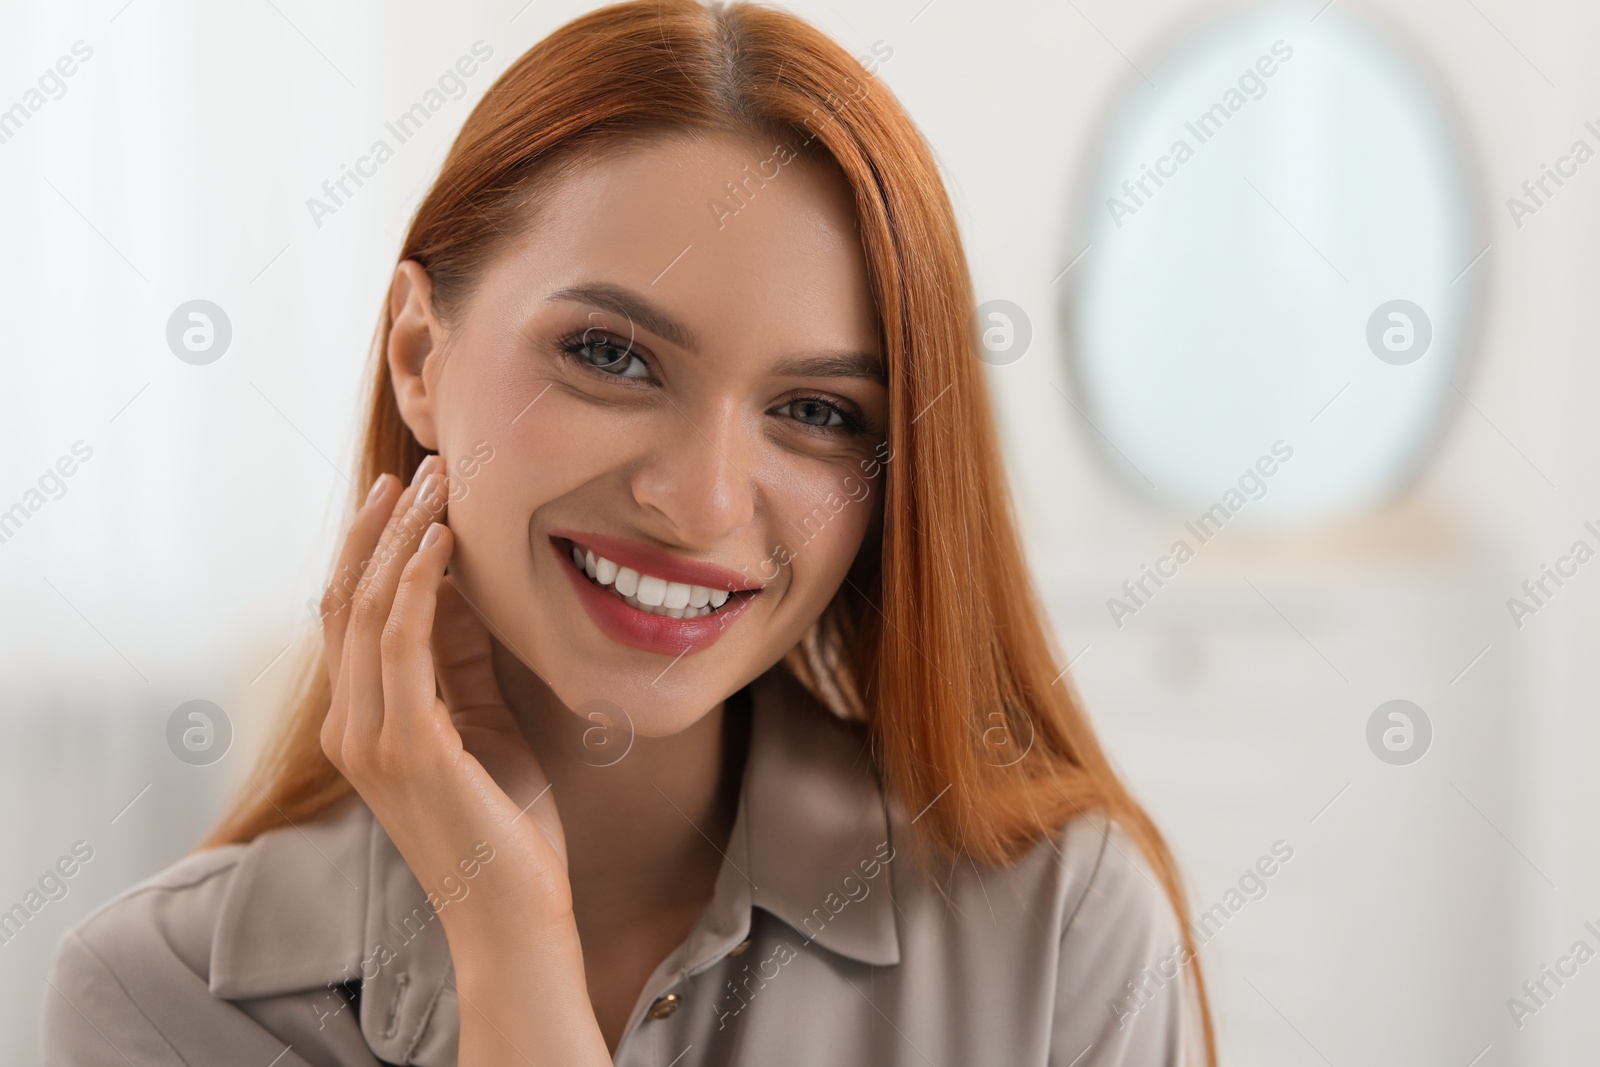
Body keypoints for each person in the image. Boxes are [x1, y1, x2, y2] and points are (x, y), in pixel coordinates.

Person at [41, 1, 1215, 1063]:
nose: (702, 502)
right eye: (611, 356)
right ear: (417, 354)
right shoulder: (157, 1002)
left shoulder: (1062, 930)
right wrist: (501, 926)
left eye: (815, 412)